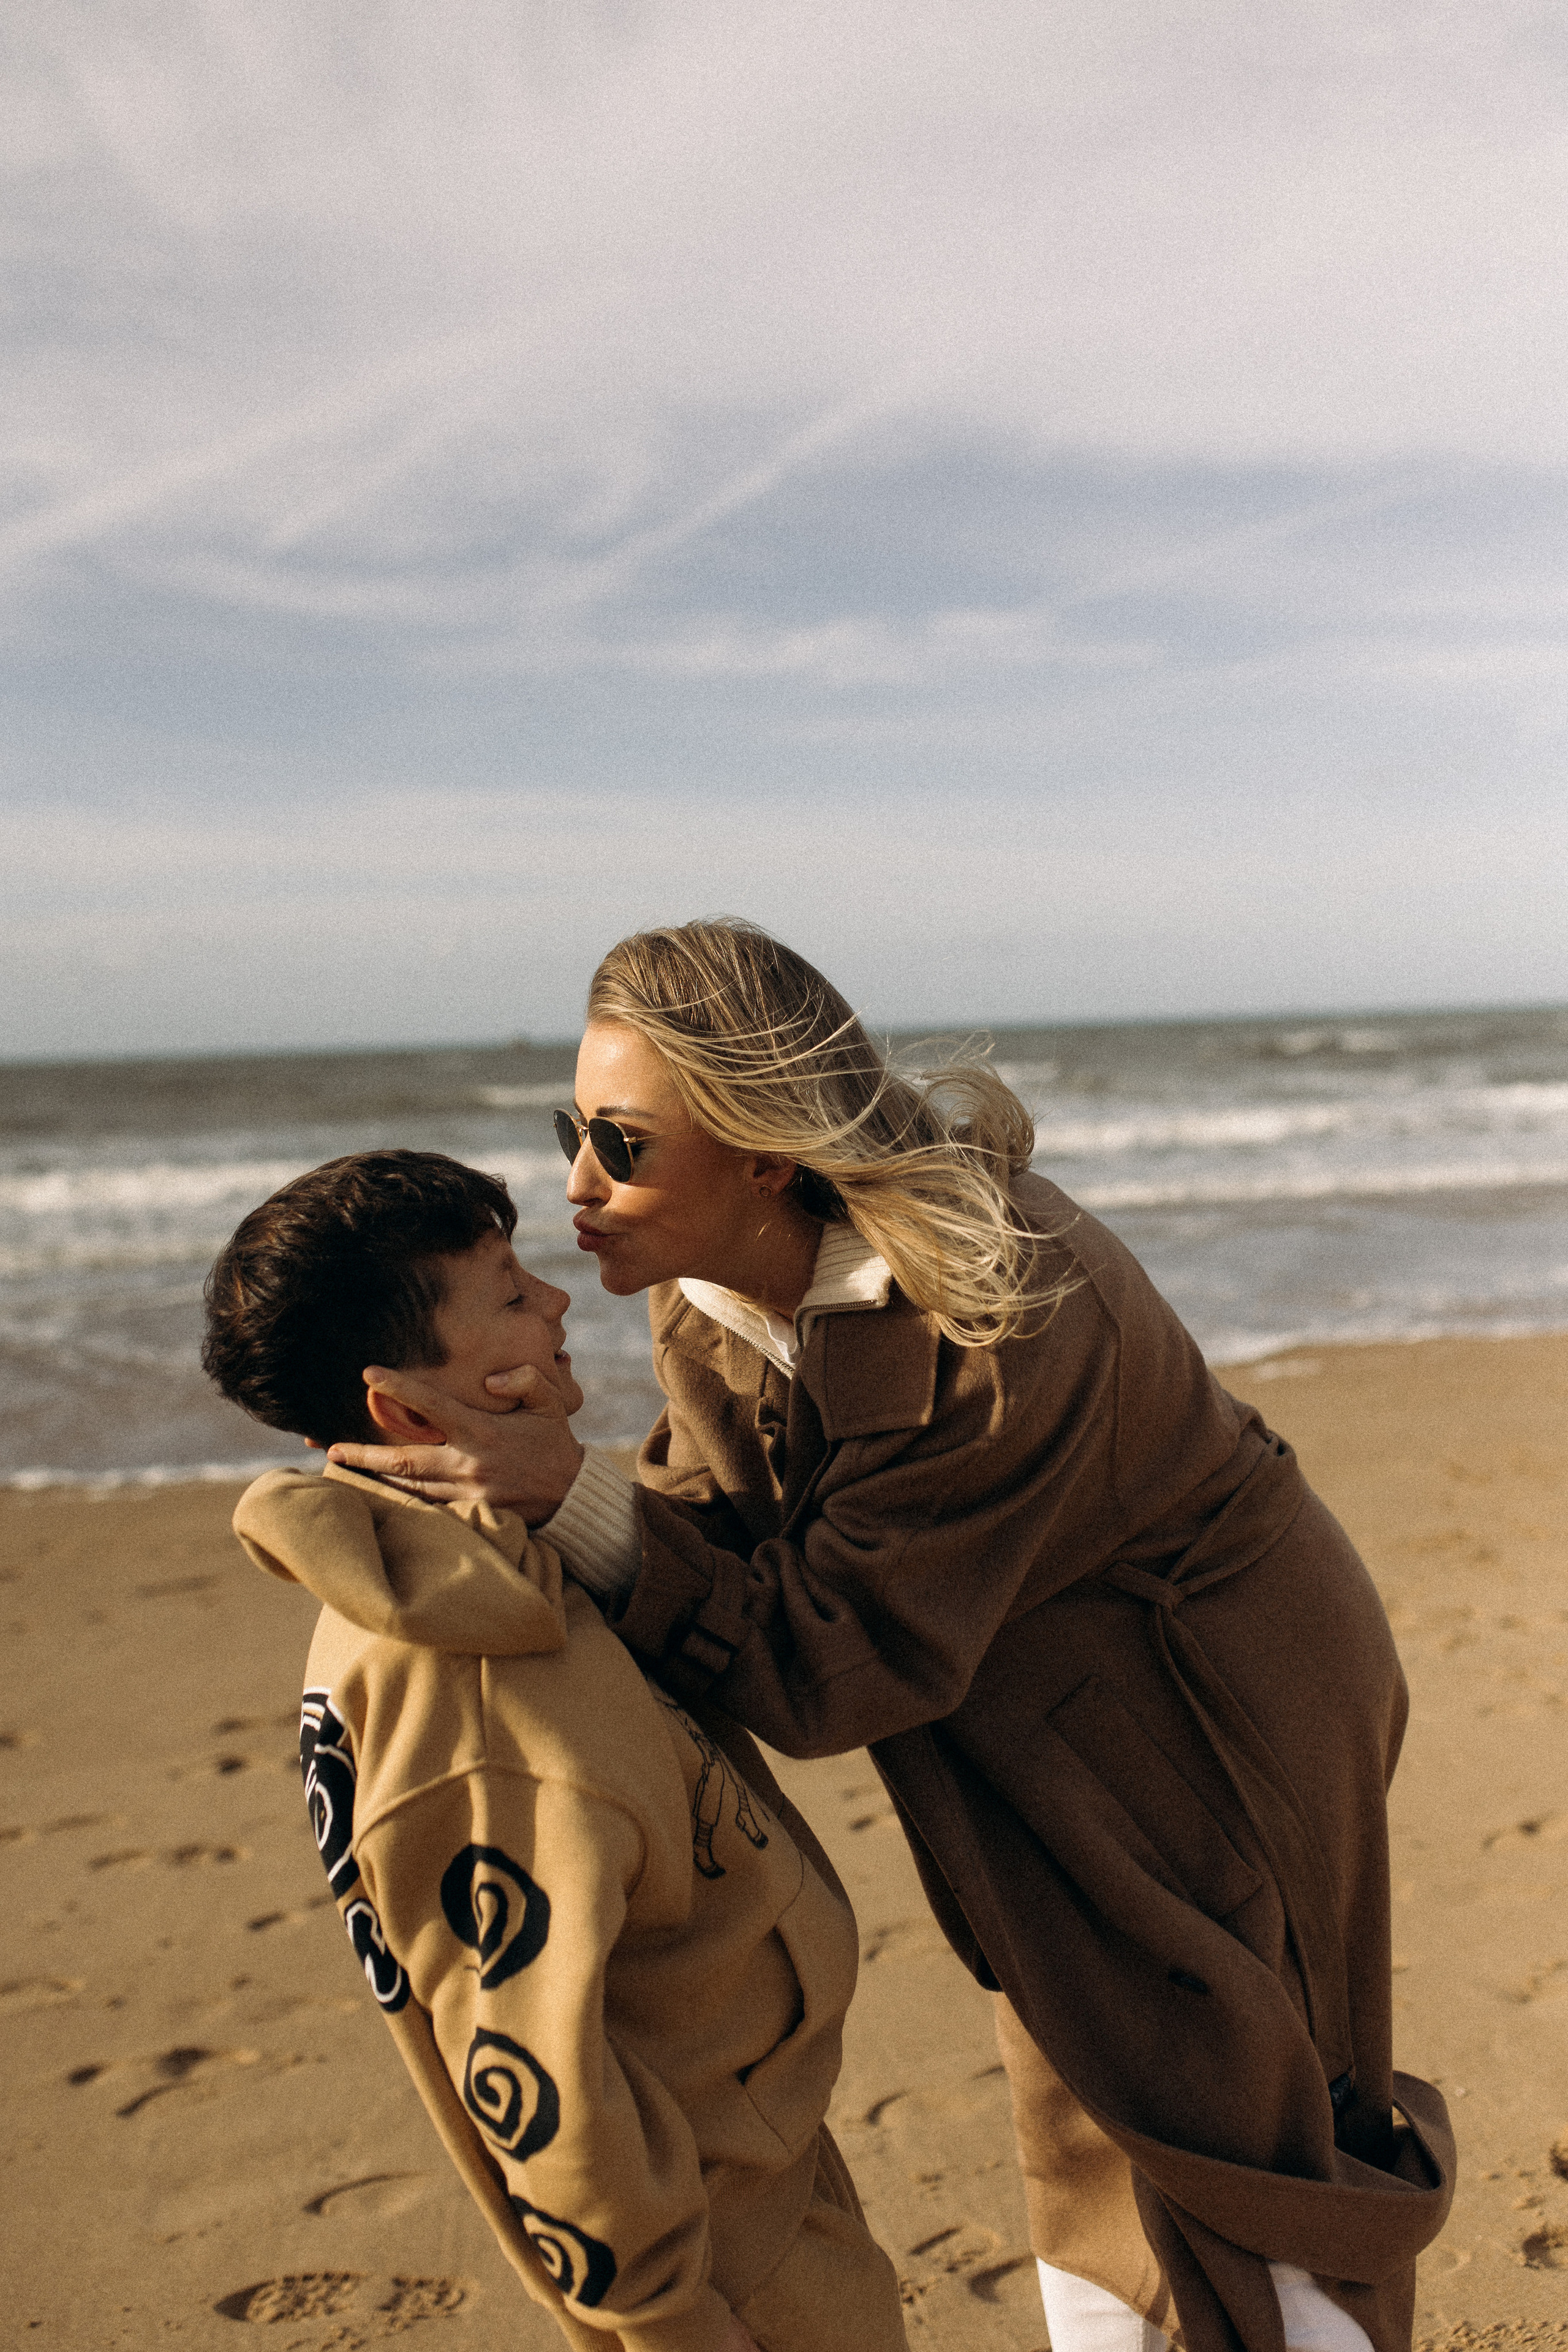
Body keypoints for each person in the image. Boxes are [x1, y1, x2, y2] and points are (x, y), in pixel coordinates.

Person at [328, 925, 1457, 2352]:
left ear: (761, 1151)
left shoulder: (994, 1309)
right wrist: (535, 1494)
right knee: (1072, 2077)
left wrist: (576, 1497)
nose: (577, 1188)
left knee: (1240, 2095)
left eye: (618, 1142)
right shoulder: (707, 1289)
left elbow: (822, 1664)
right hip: (1012, 1688)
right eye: (573, 1130)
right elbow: (723, 1506)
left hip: (1198, 1688)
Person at [202, 1147, 908, 2352]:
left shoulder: (497, 1573)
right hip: (719, 2250)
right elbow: (535, 2070)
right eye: (508, 1295)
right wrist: (670, 2316)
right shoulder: (467, 1690)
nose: (558, 1302)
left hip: (755, 2164)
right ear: (403, 1410)